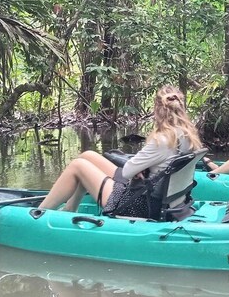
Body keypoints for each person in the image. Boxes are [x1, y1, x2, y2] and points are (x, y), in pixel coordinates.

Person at [38, 85, 203, 217]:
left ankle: (38, 213)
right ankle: (69, 209)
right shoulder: (188, 136)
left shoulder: (162, 140)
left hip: (138, 203)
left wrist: (138, 168)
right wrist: (142, 168)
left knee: (77, 166)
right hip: (156, 195)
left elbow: (127, 172)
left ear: (158, 109)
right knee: (87, 156)